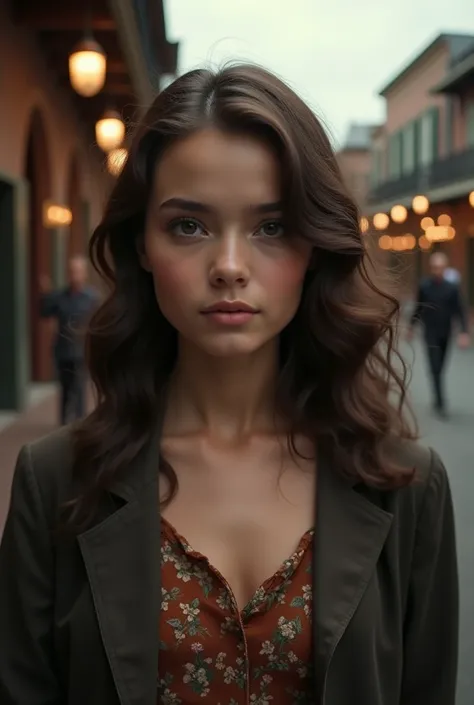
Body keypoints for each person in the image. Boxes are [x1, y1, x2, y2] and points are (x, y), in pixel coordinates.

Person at [0, 65, 458, 705]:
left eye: (272, 227)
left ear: (315, 247)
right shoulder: (55, 482)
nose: (230, 267)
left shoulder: (405, 487)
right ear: (141, 244)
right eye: (190, 225)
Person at [408, 251, 470, 417]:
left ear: (445, 268)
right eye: (435, 267)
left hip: (446, 332)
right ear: (431, 268)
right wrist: (411, 327)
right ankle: (440, 400)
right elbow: (418, 308)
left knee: (440, 366)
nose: (437, 270)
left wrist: (464, 332)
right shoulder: (425, 286)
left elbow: (460, 310)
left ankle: (438, 394)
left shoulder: (452, 288)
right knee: (434, 366)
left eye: (440, 267)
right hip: (430, 333)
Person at [39, 256, 99, 424]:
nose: (75, 275)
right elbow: (45, 314)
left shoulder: (92, 298)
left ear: (84, 274)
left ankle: (80, 424)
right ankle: (64, 424)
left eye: (78, 271)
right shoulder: (59, 297)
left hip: (81, 351)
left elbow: (98, 324)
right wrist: (45, 295)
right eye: (72, 271)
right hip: (63, 350)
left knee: (80, 389)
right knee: (65, 390)